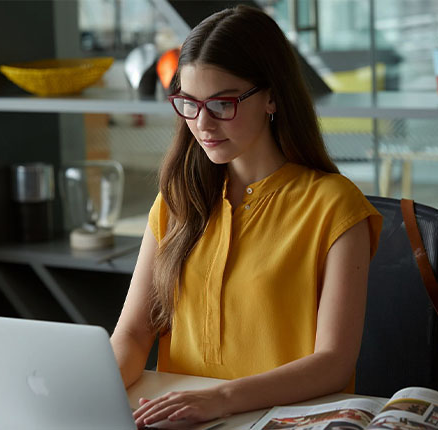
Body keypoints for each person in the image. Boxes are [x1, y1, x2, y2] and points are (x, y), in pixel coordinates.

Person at [111, 4, 383, 428]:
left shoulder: (334, 205)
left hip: (286, 419)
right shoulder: (177, 200)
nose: (202, 124)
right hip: (181, 420)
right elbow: (131, 334)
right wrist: (92, 389)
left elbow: (333, 362)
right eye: (188, 102)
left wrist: (219, 398)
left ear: (272, 95)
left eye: (222, 104)